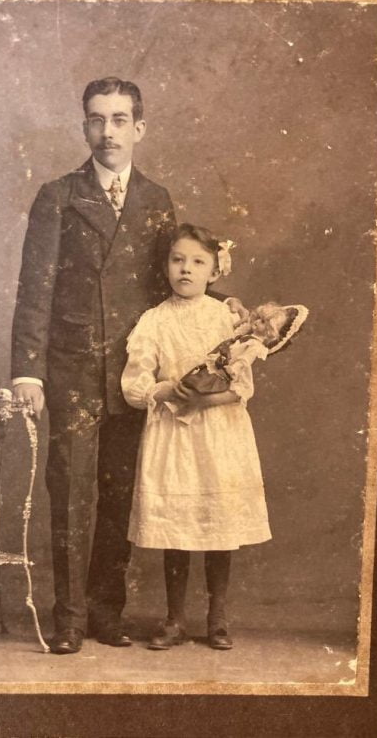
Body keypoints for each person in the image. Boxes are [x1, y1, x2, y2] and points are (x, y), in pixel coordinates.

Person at [11, 77, 248, 655]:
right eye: (97, 120)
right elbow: (35, 288)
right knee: (71, 493)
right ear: (84, 127)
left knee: (119, 494)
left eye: (119, 120)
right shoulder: (58, 195)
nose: (108, 132)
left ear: (138, 128)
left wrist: (226, 307)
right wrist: (28, 372)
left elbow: (173, 283)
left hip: (134, 372)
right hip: (71, 372)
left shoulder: (155, 199)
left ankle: (104, 613)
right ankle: (69, 619)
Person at [121, 224, 280, 651]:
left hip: (218, 433)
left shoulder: (227, 318)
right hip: (173, 435)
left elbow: (242, 388)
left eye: (197, 262)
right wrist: (167, 390)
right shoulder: (154, 320)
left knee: (217, 523)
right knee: (178, 526)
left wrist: (204, 399)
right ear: (166, 267)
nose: (186, 270)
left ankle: (217, 617)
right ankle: (174, 619)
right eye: (177, 260)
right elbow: (134, 386)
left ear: (215, 270)